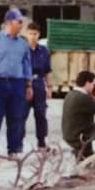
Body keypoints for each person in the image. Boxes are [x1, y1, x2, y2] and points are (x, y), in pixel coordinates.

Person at [0, 8, 32, 156]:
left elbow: (26, 64)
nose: (22, 24)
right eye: (19, 21)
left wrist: (28, 85)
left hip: (17, 84)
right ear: (10, 22)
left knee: (16, 118)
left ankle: (14, 149)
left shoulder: (23, 43)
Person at [61, 70, 95, 159]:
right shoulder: (82, 98)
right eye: (94, 84)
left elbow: (89, 107)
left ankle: (89, 152)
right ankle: (88, 154)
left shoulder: (71, 94)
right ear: (87, 83)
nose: (94, 87)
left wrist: (93, 95)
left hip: (71, 133)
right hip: (79, 137)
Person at [22, 21, 52, 150]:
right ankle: (17, 143)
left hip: (39, 83)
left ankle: (41, 142)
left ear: (39, 35)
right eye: (30, 34)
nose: (32, 36)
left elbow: (47, 70)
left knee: (41, 113)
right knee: (21, 114)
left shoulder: (44, 51)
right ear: (26, 34)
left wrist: (49, 88)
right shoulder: (21, 50)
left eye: (35, 34)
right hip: (24, 84)